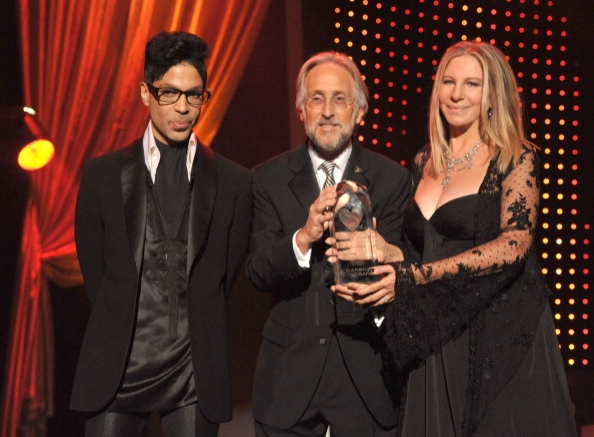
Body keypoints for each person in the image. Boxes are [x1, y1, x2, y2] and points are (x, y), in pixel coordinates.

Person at [331, 41, 577, 436]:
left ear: (492, 94)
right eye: (449, 81)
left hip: (495, 335)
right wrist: (379, 253)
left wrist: (414, 276)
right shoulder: (423, 160)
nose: (457, 94)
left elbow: (514, 245)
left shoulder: (514, 156)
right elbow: (420, 251)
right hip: (436, 333)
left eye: (472, 84)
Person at [70, 31, 252, 436]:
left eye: (194, 95)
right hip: (118, 368)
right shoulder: (102, 176)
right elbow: (97, 274)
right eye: (169, 93)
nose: (183, 108)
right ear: (145, 92)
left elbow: (225, 275)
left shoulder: (233, 182)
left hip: (193, 372)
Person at [245, 51, 411, 437]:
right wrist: (303, 237)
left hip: (367, 375)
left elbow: (409, 271)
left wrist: (380, 254)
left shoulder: (392, 180)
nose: (328, 111)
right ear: (301, 110)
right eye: (316, 99)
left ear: (360, 111)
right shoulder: (267, 179)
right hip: (289, 380)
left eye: (340, 99)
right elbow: (257, 270)